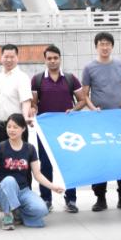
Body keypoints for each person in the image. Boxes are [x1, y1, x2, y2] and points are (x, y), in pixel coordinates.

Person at [81, 31, 121, 212]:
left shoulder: (120, 65)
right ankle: (100, 198)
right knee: (101, 158)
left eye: (107, 44)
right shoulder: (89, 68)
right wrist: (92, 108)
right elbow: (85, 94)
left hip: (119, 120)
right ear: (96, 47)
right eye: (101, 44)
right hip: (99, 121)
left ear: (112, 46)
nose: (104, 47)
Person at [31, 44, 86, 213]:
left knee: (68, 164)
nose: (53, 61)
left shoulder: (70, 78)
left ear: (60, 59)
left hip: (67, 130)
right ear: (45, 60)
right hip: (45, 130)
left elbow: (82, 100)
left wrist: (73, 110)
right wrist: (32, 112)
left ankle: (71, 199)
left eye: (55, 58)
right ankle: (46, 199)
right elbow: (34, 103)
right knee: (45, 165)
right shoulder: (37, 79)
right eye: (49, 58)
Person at [0, 113, 63, 230]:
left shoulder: (30, 149)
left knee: (42, 210)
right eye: (9, 126)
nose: (11, 130)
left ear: (23, 128)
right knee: (9, 181)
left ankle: (17, 213)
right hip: (3, 191)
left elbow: (37, 174)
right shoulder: (0, 148)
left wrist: (53, 187)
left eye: (15, 127)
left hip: (23, 191)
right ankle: (7, 216)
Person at [0, 44, 33, 144]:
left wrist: (26, 117)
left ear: (17, 58)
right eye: (6, 57)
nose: (9, 60)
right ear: (1, 57)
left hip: (17, 127)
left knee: (19, 154)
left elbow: (26, 100)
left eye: (12, 57)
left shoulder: (22, 77)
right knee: (1, 153)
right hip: (1, 127)